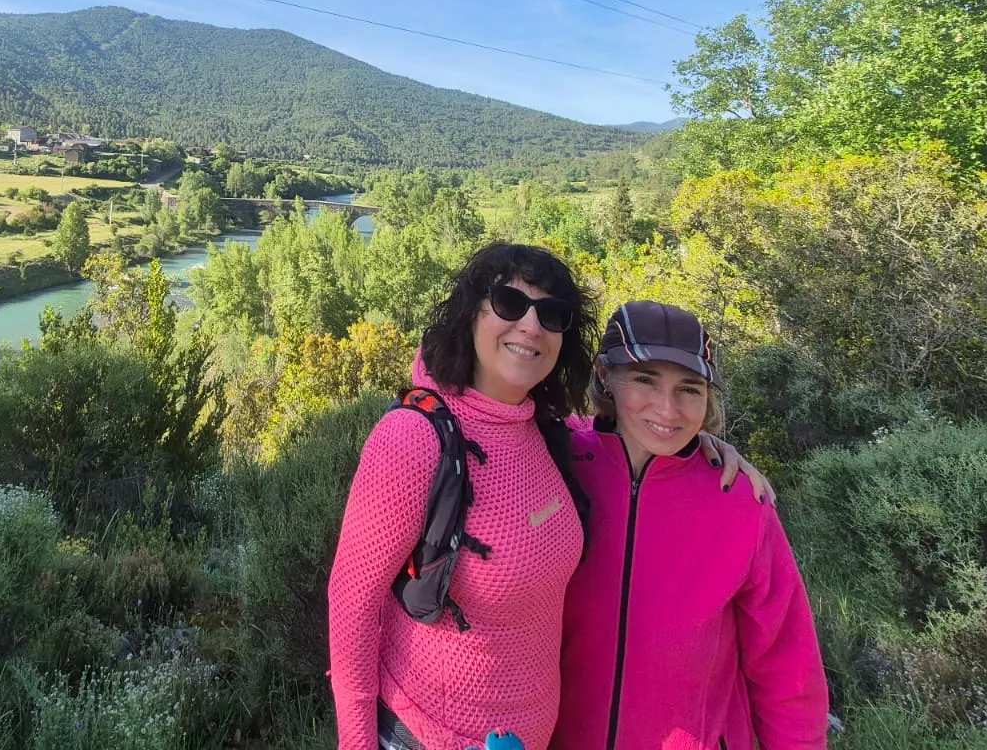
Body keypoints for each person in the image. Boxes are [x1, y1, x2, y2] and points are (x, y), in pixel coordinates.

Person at [327, 245, 765, 750]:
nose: (531, 326)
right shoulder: (412, 439)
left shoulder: (547, 433)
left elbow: (634, 432)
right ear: (471, 313)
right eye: (510, 303)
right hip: (431, 737)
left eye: (552, 314)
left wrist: (695, 440)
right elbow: (352, 604)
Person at [552, 300, 829, 750]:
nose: (668, 409)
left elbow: (786, 666)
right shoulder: (555, 461)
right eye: (645, 380)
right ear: (605, 376)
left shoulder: (740, 500)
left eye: (690, 388)